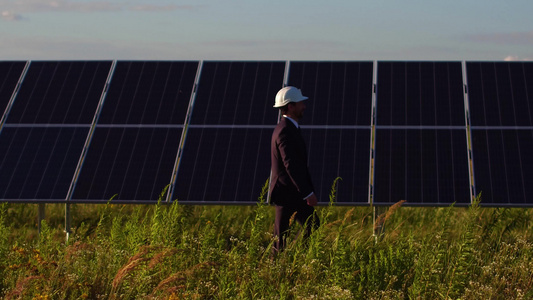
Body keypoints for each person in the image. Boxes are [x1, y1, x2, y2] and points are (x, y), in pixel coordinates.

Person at [269, 86, 320, 253]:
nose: (304, 106)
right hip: (286, 193)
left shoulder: (289, 128)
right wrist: (307, 193)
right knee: (280, 238)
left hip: (293, 193)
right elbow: (290, 164)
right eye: (300, 103)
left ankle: (297, 260)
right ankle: (277, 271)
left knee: (312, 225)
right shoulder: (285, 131)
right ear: (290, 106)